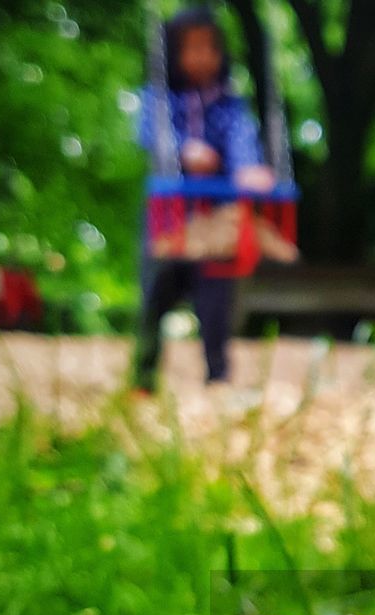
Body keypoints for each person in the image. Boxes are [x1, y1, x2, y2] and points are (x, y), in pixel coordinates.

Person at [134, 7, 274, 390]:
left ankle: (218, 378)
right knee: (153, 301)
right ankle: (143, 379)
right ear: (172, 54)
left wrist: (249, 168)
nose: (200, 57)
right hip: (169, 222)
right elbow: (152, 135)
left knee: (216, 306)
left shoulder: (229, 105)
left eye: (208, 48)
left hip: (215, 226)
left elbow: (241, 139)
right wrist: (183, 151)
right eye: (189, 48)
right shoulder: (159, 100)